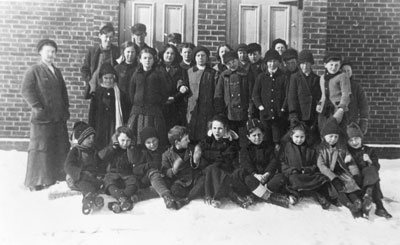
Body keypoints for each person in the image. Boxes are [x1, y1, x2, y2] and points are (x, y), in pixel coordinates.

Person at [21, 39, 70, 191]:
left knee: (57, 147)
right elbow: (26, 90)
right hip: (42, 119)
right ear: (40, 52)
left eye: (53, 51)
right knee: (40, 149)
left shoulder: (57, 71)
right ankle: (36, 181)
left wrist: (65, 109)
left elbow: (63, 92)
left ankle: (52, 178)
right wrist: (38, 107)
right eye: (48, 51)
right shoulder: (34, 70)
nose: (51, 54)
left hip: (57, 118)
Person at [317, 118, 362, 218]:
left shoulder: (341, 148)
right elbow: (321, 165)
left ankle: (356, 201)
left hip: (341, 172)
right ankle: (349, 205)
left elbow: (351, 163)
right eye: (331, 136)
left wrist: (355, 173)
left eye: (335, 137)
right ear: (324, 137)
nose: (333, 139)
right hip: (329, 174)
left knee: (350, 185)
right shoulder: (321, 149)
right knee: (339, 189)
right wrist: (332, 176)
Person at [346, 123, 392, 219]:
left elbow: (377, 167)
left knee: (371, 170)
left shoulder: (369, 150)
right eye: (351, 140)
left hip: (369, 181)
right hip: (356, 184)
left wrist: (369, 161)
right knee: (372, 180)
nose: (354, 142)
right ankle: (379, 207)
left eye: (356, 138)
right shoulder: (347, 152)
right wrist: (345, 162)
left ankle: (369, 195)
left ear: (361, 138)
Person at [281, 122, 331, 209]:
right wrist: (292, 170)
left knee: (321, 178)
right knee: (292, 179)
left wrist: (307, 170)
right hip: (294, 174)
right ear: (291, 136)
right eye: (296, 137)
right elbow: (282, 163)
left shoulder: (310, 148)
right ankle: (296, 195)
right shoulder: (287, 148)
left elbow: (314, 164)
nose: (299, 140)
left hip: (306, 174)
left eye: (302, 137)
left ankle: (320, 196)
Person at [131, 127, 182, 209]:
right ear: (144, 143)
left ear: (158, 139)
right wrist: (148, 165)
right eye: (148, 142)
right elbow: (135, 169)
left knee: (161, 187)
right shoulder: (143, 153)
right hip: (147, 179)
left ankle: (136, 196)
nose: (152, 144)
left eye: (154, 140)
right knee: (153, 172)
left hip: (162, 179)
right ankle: (167, 197)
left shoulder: (165, 150)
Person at [195, 115, 240, 208]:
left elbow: (227, 160)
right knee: (196, 188)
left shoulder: (230, 143)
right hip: (207, 173)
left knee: (213, 168)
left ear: (225, 129)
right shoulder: (207, 140)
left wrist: (209, 155)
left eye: (220, 128)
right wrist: (218, 155)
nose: (217, 131)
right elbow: (202, 156)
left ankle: (214, 197)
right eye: (214, 128)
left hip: (223, 172)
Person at [128, 48, 168, 145]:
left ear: (154, 60)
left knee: (153, 135)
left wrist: (157, 102)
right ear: (140, 59)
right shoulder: (136, 74)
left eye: (150, 58)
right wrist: (136, 102)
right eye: (145, 58)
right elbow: (131, 91)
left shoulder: (158, 74)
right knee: (135, 135)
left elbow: (164, 92)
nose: (147, 60)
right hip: (137, 110)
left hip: (153, 111)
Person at [64, 123, 104, 215]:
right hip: (77, 177)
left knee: (97, 184)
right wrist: (79, 173)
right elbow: (68, 165)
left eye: (93, 138)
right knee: (85, 184)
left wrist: (99, 174)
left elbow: (99, 164)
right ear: (81, 139)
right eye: (88, 138)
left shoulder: (93, 151)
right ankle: (88, 200)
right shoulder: (75, 151)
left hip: (90, 176)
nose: (91, 140)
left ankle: (94, 199)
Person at [88, 63, 130, 150]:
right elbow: (92, 113)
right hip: (100, 126)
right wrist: (91, 128)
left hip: (114, 123)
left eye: (111, 78)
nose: (108, 80)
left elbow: (125, 111)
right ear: (101, 79)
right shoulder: (97, 93)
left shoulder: (120, 93)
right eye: (106, 78)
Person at [252, 49, 287, 152]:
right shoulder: (261, 77)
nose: (272, 64)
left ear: (279, 62)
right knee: (265, 139)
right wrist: (261, 107)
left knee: (278, 141)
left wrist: (283, 109)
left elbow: (287, 96)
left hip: (279, 116)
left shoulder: (283, 77)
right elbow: (255, 95)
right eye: (269, 61)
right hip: (265, 115)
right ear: (266, 63)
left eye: (275, 61)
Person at [161, 126, 205, 206]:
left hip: (194, 179)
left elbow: (198, 165)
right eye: (186, 139)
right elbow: (165, 171)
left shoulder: (191, 149)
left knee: (203, 180)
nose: (189, 141)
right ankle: (192, 194)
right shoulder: (166, 155)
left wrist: (196, 159)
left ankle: (186, 199)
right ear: (177, 142)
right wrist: (174, 169)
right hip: (181, 182)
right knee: (174, 189)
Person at [214, 51, 253, 138]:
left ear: (238, 60)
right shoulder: (224, 76)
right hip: (229, 113)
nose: (232, 65)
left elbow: (251, 94)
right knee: (231, 138)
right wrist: (220, 112)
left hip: (244, 112)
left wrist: (250, 109)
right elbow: (218, 95)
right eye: (228, 63)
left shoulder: (246, 74)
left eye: (234, 61)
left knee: (243, 138)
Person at [99, 126, 138, 213]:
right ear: (117, 139)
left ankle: (117, 202)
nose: (125, 143)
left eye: (128, 141)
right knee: (108, 182)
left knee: (133, 182)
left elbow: (133, 160)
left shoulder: (131, 149)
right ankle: (124, 199)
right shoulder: (113, 148)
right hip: (113, 175)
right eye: (122, 140)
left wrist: (131, 148)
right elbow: (102, 156)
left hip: (127, 175)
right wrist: (112, 147)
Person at [287, 50, 321, 146]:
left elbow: (319, 97)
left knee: (311, 141)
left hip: (312, 115)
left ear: (311, 64)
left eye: (307, 64)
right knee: (297, 140)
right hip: (299, 115)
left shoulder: (317, 78)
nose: (305, 67)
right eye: (302, 64)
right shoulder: (294, 77)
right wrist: (294, 115)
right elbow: (292, 97)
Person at [186, 46, 216, 143]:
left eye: (203, 55)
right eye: (198, 55)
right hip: (192, 109)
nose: (200, 58)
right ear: (194, 58)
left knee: (205, 136)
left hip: (206, 109)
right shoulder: (189, 72)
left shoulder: (212, 73)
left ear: (207, 57)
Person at [81, 23, 120, 96]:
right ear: (100, 36)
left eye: (111, 37)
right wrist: (90, 81)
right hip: (96, 88)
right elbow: (84, 69)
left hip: (111, 87)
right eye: (106, 37)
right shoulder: (92, 51)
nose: (108, 40)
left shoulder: (116, 51)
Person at [316, 53, 351, 133]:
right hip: (325, 109)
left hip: (337, 109)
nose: (333, 67)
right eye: (331, 65)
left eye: (336, 65)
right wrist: (320, 104)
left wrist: (341, 108)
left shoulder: (342, 76)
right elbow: (323, 95)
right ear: (325, 65)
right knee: (324, 130)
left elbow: (346, 94)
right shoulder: (322, 78)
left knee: (337, 131)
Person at [157, 44, 189, 130]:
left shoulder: (179, 69)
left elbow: (181, 82)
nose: (169, 56)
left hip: (174, 105)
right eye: (167, 53)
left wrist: (175, 96)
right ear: (162, 54)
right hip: (159, 104)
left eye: (172, 54)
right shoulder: (156, 68)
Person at [341, 60, 369, 135]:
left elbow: (363, 106)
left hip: (352, 122)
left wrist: (363, 122)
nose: (346, 73)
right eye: (344, 71)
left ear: (351, 72)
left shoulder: (356, 87)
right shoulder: (336, 85)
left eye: (348, 70)